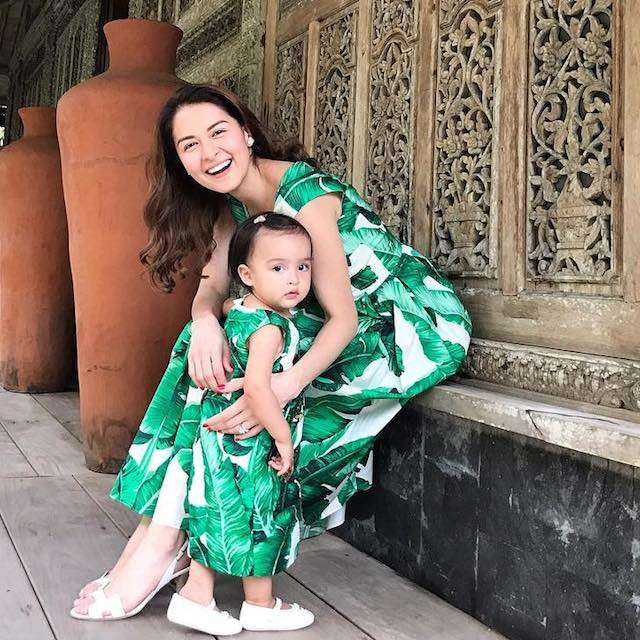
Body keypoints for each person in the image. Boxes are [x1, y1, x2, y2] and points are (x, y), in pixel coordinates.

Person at [70, 83, 472, 626]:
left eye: (218, 133)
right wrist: (204, 320)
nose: (209, 153)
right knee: (212, 346)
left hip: (409, 323)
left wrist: (278, 391)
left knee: (259, 371)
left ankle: (170, 541)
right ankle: (166, 534)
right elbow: (213, 287)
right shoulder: (230, 209)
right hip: (323, 325)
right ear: (179, 162)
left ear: (246, 132)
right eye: (189, 146)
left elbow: (345, 319)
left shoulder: (307, 195)